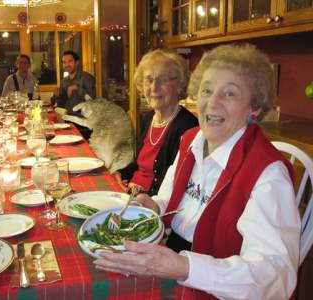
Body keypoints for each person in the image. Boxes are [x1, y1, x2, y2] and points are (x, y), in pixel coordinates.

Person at [94, 44, 300, 299]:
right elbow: (168, 199)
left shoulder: (268, 175)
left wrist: (183, 267)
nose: (213, 103)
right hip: (171, 254)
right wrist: (153, 205)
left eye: (230, 94)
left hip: (212, 284)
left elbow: (275, 278)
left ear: (254, 107)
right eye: (207, 90)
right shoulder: (192, 140)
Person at [114, 49, 198, 196]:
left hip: (152, 203)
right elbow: (140, 165)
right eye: (149, 80)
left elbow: (176, 184)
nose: (153, 87)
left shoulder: (188, 127)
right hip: (131, 193)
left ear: (180, 85)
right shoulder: (149, 118)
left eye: (163, 80)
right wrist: (122, 173)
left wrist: (139, 194)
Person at [53, 50, 96, 116]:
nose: (67, 65)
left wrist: (77, 88)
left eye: (70, 61)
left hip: (83, 120)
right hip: (67, 117)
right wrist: (57, 95)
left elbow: (92, 100)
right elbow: (61, 105)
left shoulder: (86, 78)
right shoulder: (63, 81)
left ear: (77, 62)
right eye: (64, 62)